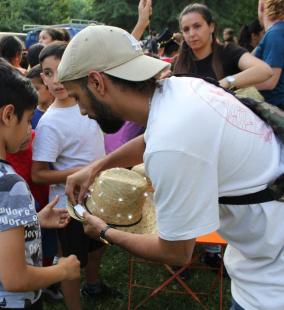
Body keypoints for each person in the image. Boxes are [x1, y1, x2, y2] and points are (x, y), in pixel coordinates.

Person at [57, 24, 284, 310]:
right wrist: (97, 166)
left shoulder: (171, 141)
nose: (81, 110)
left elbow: (176, 252)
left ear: (97, 82)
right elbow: (150, 138)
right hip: (265, 248)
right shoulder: (180, 87)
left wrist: (104, 231)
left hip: (272, 280)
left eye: (78, 97)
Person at [0, 58, 80, 309]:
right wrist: (64, 270)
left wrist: (33, 220)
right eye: (27, 121)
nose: (28, 131)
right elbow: (15, 278)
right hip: (14, 302)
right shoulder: (8, 184)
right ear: (9, 114)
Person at [31, 42, 112, 309]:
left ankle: (94, 285)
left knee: (98, 246)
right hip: (71, 204)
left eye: (61, 70)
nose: (56, 80)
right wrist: (83, 171)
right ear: (42, 78)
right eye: (48, 73)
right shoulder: (50, 123)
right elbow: (39, 173)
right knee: (71, 261)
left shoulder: (91, 101)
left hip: (99, 196)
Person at [173, 3, 272, 90]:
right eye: (186, 29)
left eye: (197, 26)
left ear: (211, 27)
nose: (191, 34)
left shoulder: (228, 51)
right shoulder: (179, 62)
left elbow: (264, 70)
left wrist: (226, 82)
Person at [255, 0, 284, 107]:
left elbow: (269, 81)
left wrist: (234, 83)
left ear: (262, 7)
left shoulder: (275, 34)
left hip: (277, 110)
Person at [26, 64, 54, 129]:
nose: (31, 92)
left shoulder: (59, 113)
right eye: (30, 89)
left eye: (36, 89)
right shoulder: (30, 113)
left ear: (49, 85)